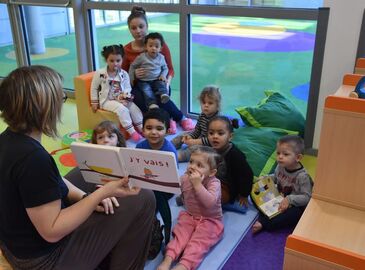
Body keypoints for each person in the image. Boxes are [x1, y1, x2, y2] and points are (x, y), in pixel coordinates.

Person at [0, 65, 155, 270]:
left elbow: (49, 180)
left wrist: (83, 196)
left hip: (17, 246)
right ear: (42, 107)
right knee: (143, 197)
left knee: (87, 171)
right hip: (45, 262)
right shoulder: (32, 159)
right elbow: (52, 230)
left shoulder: (10, 139)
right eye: (59, 98)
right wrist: (99, 195)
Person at [122, 6, 194, 134]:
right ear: (129, 30)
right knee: (144, 97)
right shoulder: (126, 50)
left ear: (147, 26)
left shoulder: (159, 44)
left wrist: (166, 80)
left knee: (161, 95)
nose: (138, 31)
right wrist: (134, 76)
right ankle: (169, 118)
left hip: (159, 81)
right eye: (133, 28)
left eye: (141, 26)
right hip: (139, 85)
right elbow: (123, 76)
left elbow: (170, 69)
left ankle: (174, 119)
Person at [157, 145, 224, 270]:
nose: (192, 166)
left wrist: (198, 185)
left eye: (199, 165)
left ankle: (183, 266)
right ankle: (168, 259)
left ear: (211, 172)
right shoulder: (185, 178)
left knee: (198, 243)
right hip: (190, 215)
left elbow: (210, 203)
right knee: (180, 236)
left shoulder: (214, 183)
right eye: (191, 162)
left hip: (210, 220)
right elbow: (172, 185)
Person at [252, 135, 313, 233]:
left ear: (298, 157)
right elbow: (275, 178)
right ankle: (267, 214)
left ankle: (264, 222)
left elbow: (307, 197)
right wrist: (266, 179)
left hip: (293, 206)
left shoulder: (303, 176)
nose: (280, 157)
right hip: (277, 199)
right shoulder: (280, 166)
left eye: (285, 154)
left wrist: (289, 199)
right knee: (255, 194)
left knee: (294, 215)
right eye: (278, 153)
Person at [136, 108, 176, 247]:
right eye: (149, 128)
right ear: (142, 129)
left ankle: (164, 228)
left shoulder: (170, 151)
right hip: (145, 182)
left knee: (153, 201)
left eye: (159, 128)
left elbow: (171, 177)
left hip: (164, 188)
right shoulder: (140, 146)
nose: (153, 132)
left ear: (167, 130)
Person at [90, 44, 143, 142]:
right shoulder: (100, 73)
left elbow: (127, 87)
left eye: (118, 61)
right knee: (122, 110)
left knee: (134, 108)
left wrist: (124, 96)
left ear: (122, 59)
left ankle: (141, 128)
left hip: (121, 99)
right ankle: (132, 132)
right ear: (106, 60)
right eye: (112, 61)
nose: (115, 63)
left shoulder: (124, 74)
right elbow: (94, 88)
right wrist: (94, 102)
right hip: (107, 101)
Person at [208, 116, 254, 213]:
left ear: (230, 136)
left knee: (212, 198)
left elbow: (247, 175)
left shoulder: (235, 155)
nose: (215, 136)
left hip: (227, 187)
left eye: (220, 133)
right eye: (211, 133)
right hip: (212, 179)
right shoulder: (210, 149)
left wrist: (244, 195)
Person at [172, 85, 221, 162]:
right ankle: (169, 147)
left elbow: (213, 139)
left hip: (209, 145)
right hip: (200, 138)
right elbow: (197, 130)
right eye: (203, 102)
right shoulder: (202, 115)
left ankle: (178, 157)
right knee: (182, 135)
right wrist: (190, 136)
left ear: (217, 105)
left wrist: (195, 142)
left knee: (194, 150)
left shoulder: (217, 120)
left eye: (210, 103)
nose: (206, 105)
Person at [129, 32, 170, 109]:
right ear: (146, 47)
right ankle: (152, 104)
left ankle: (163, 95)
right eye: (150, 46)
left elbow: (165, 68)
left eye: (156, 46)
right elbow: (132, 66)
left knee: (161, 85)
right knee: (146, 91)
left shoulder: (161, 57)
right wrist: (131, 78)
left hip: (157, 79)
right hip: (144, 81)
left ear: (160, 48)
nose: (153, 48)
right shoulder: (142, 57)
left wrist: (163, 75)